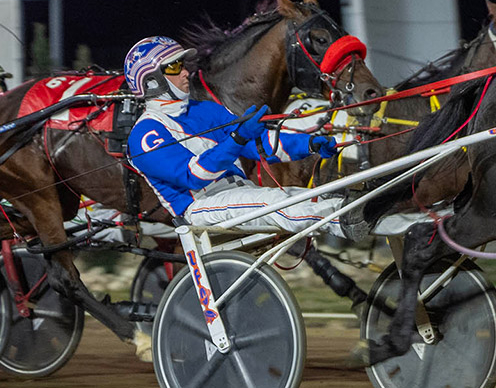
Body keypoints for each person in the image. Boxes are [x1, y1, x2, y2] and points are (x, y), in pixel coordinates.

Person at [124, 35, 355, 239]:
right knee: (274, 203)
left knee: (312, 197)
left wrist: (309, 144)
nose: (186, 72)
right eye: (174, 67)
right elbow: (193, 176)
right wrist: (237, 138)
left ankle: (359, 214)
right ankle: (346, 221)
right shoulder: (145, 134)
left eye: (183, 65)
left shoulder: (204, 109)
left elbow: (259, 144)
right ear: (151, 80)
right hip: (200, 207)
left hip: (241, 192)